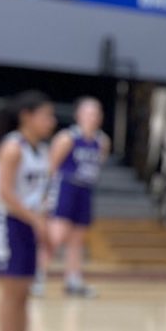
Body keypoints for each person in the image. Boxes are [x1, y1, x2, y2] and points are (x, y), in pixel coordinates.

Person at [0, 90, 57, 331]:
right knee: (11, 292)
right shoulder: (12, 147)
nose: (51, 121)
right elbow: (4, 192)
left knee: (24, 292)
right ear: (26, 116)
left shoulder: (41, 150)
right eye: (46, 115)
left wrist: (43, 224)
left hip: (26, 222)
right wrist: (35, 221)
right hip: (5, 221)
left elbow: (38, 195)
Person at [44, 94, 109, 299]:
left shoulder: (102, 140)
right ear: (78, 115)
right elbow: (51, 167)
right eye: (89, 112)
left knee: (78, 238)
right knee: (56, 235)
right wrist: (46, 195)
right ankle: (36, 277)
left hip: (85, 188)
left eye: (96, 113)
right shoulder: (67, 138)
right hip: (65, 186)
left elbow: (99, 165)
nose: (93, 117)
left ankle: (73, 280)